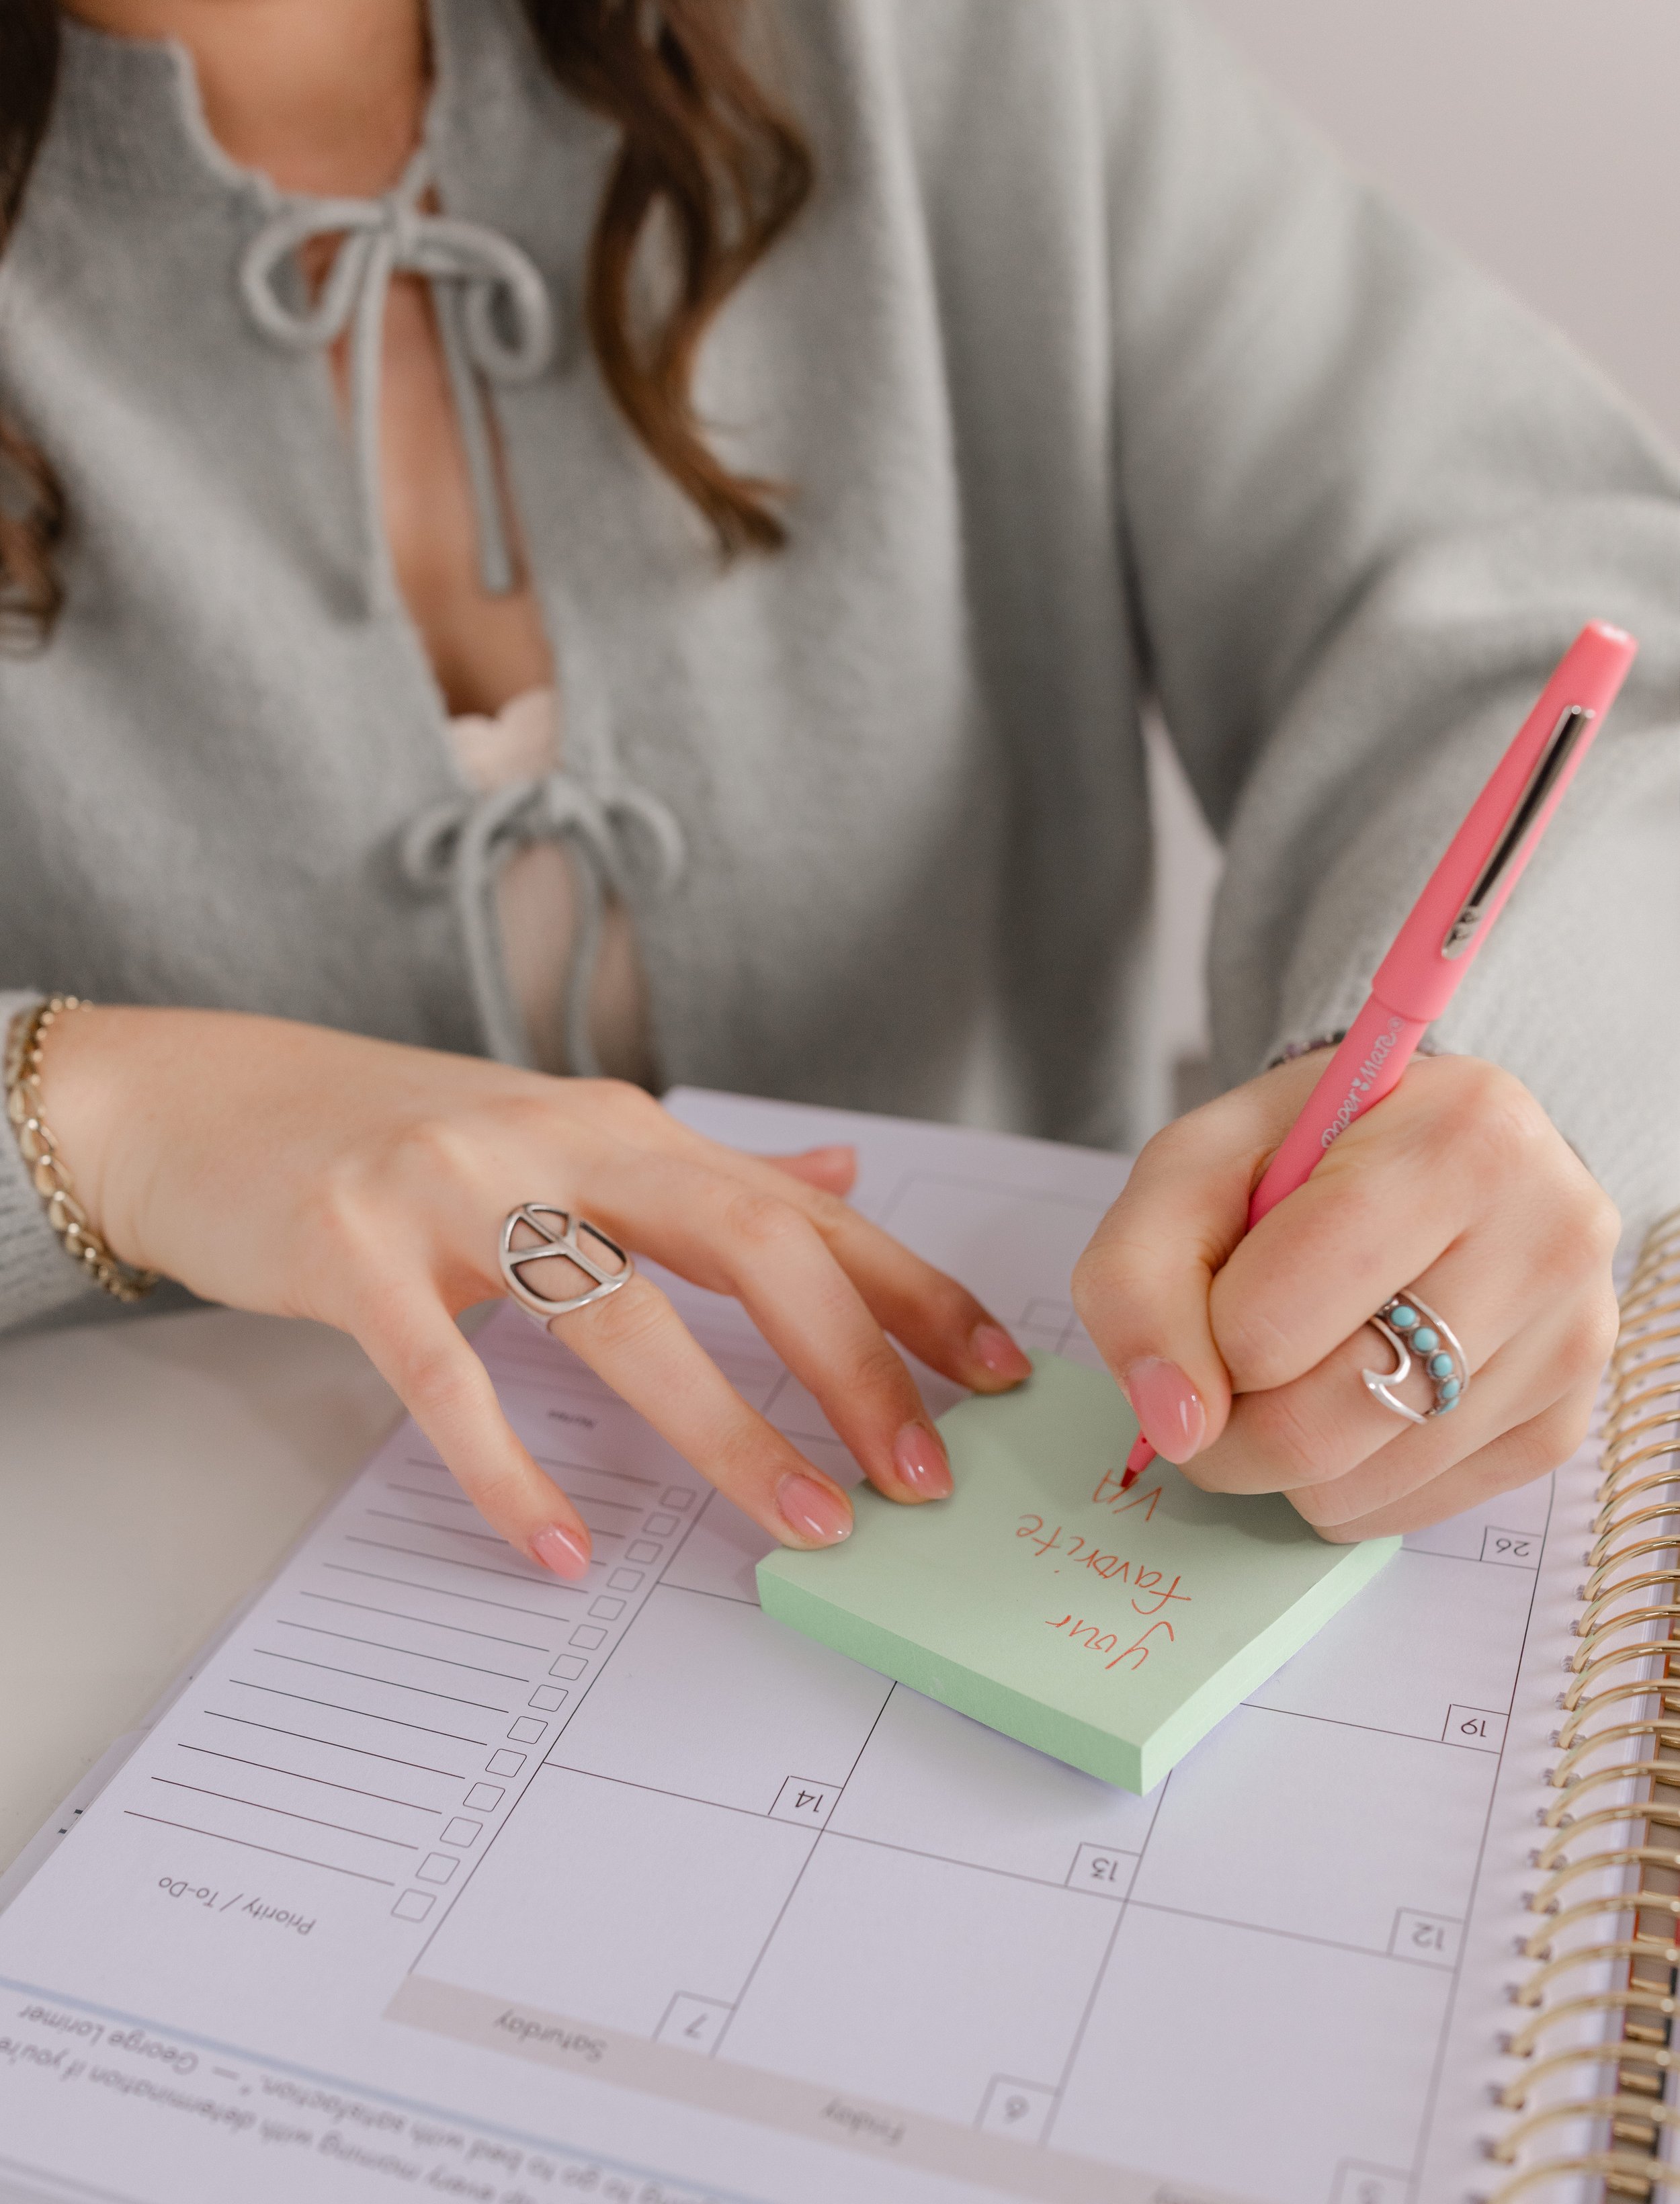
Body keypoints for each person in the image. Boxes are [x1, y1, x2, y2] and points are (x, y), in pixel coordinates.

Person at [0, 0, 1672, 1584]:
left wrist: (1456, 1105)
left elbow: (1553, 630)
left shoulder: (942, 47)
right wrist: (109, 1111)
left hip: (1028, 1487)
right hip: (166, 1634)